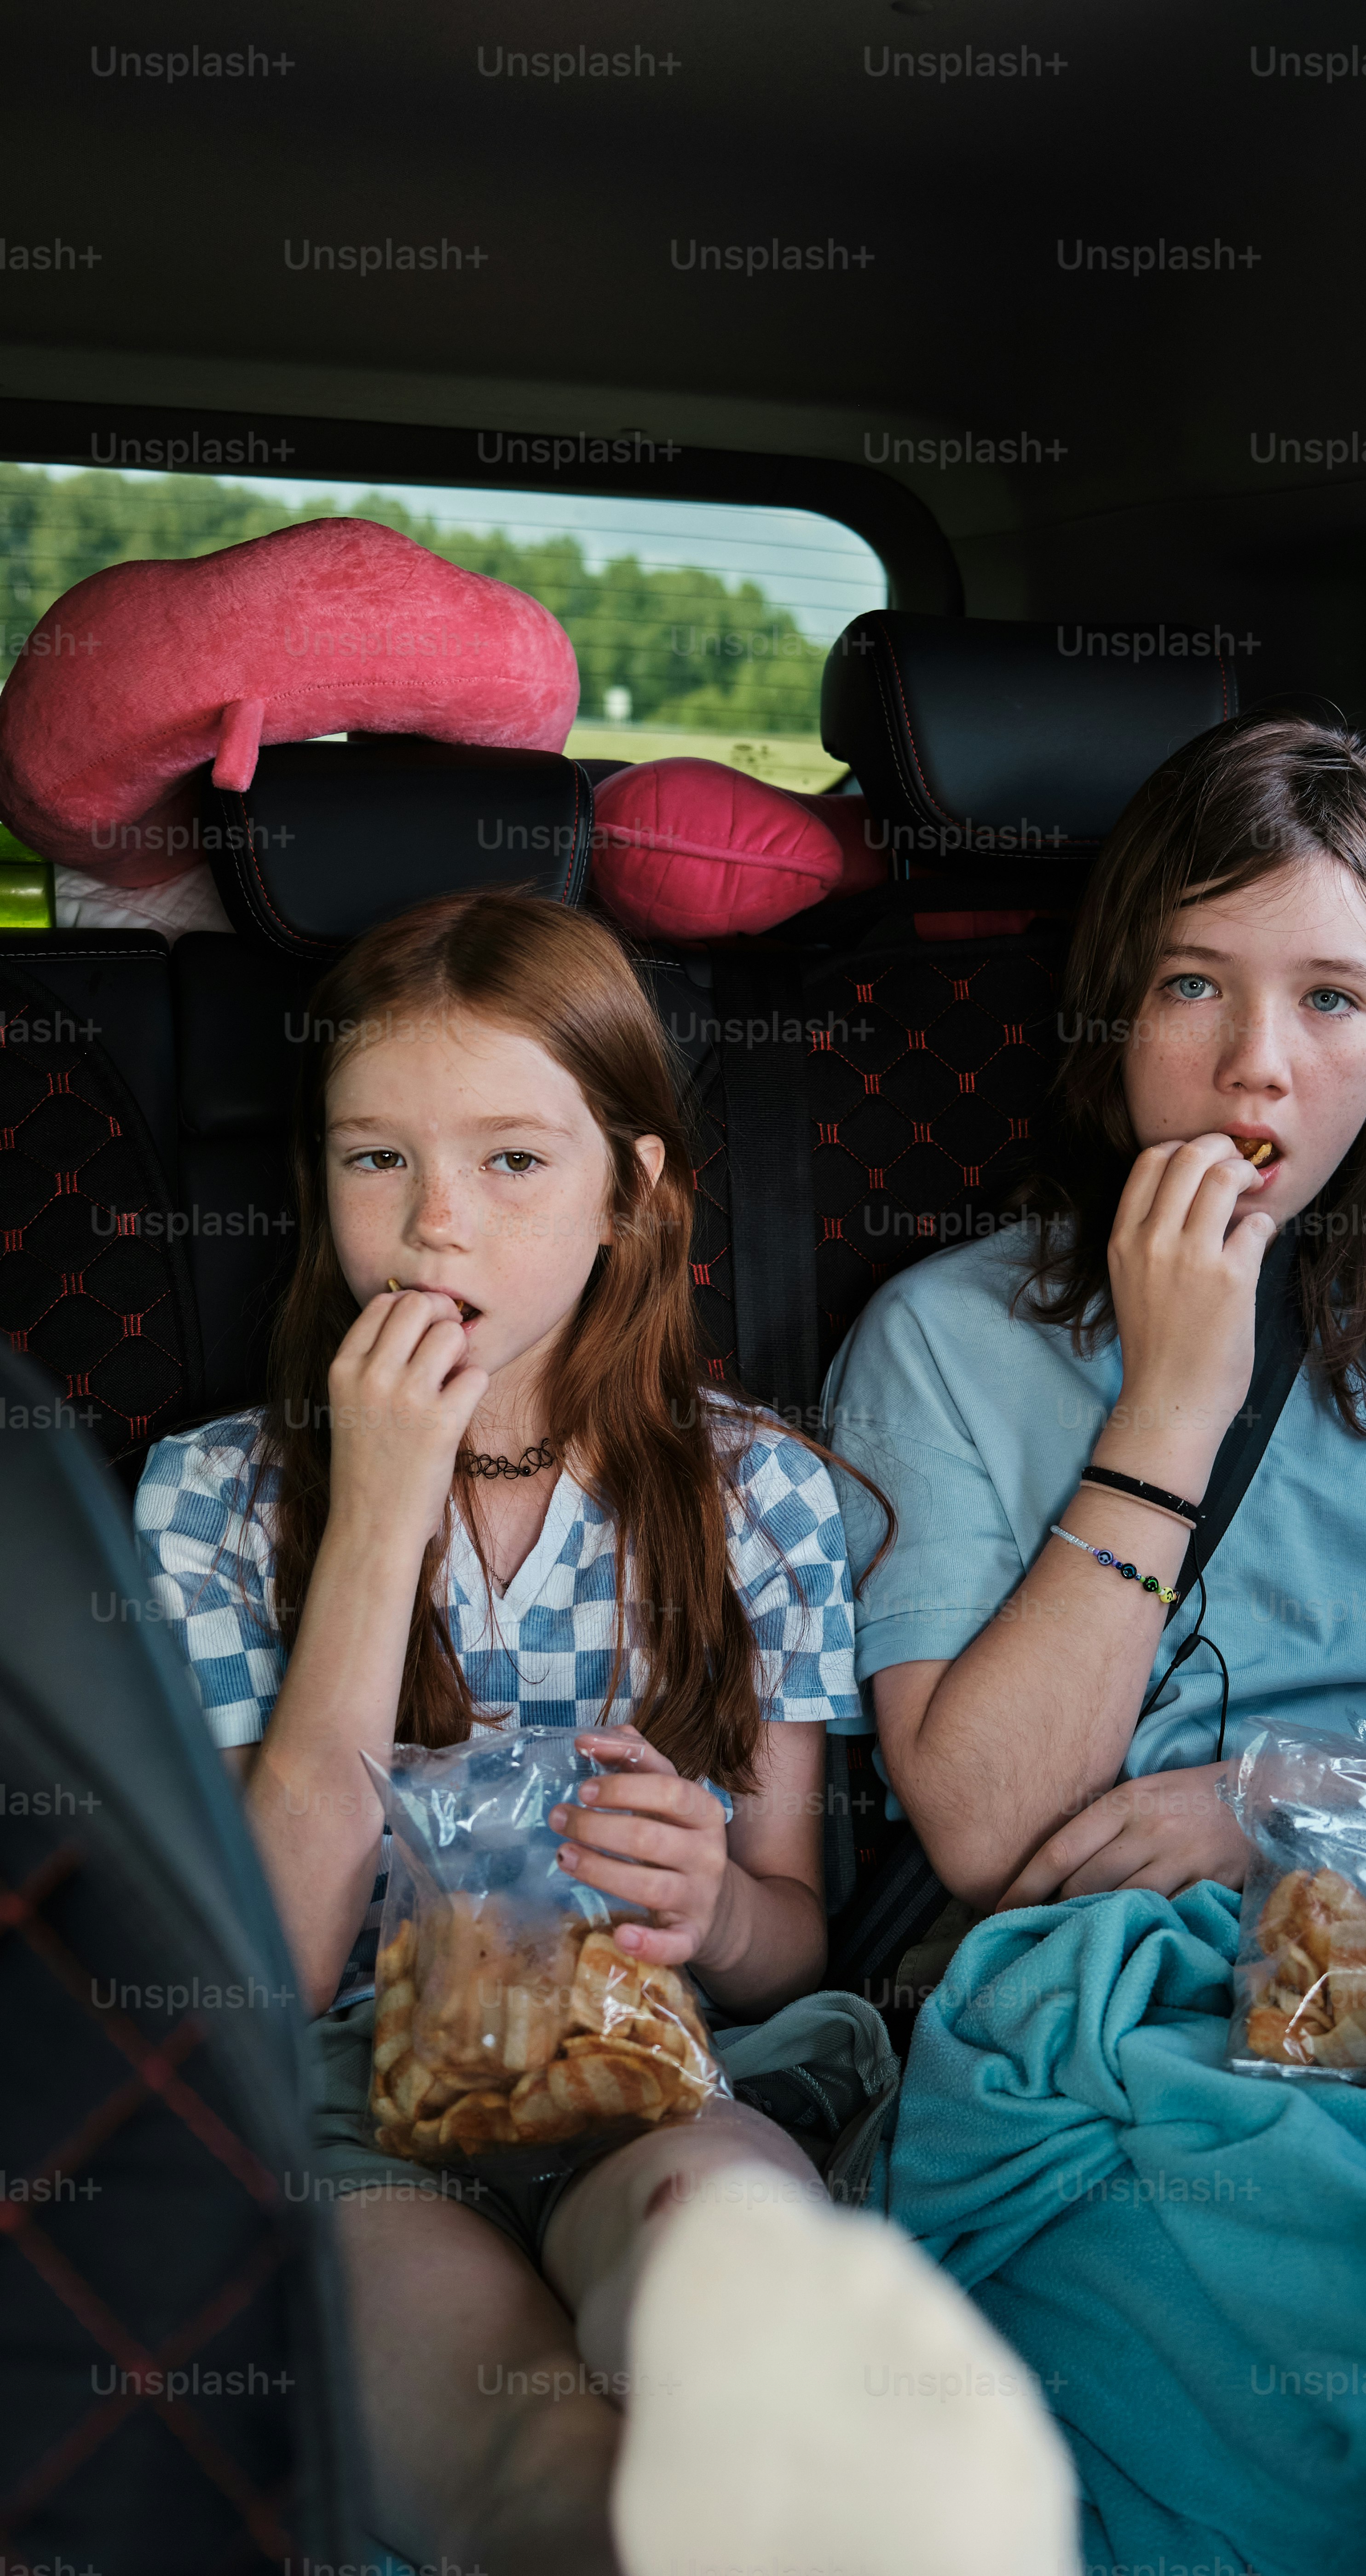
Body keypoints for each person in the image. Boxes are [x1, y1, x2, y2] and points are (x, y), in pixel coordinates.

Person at [135, 889, 1077, 2576]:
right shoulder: (213, 1498)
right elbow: (258, 1975)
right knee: (533, 2467)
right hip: (353, 2108)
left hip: (652, 2085)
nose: (436, 1232)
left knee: (736, 2293)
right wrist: (373, 1526)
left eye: (513, 1163)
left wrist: (714, 1907)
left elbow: (786, 1947)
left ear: (630, 1194)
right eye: (377, 1162)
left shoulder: (760, 1499)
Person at [821, 711, 1366, 2574]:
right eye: (1194, 984)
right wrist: (1171, 1399)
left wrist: (1292, 1799)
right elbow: (979, 1823)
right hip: (1124, 2012)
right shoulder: (939, 1340)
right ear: (1116, 1006)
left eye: (1332, 999)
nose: (1256, 1069)